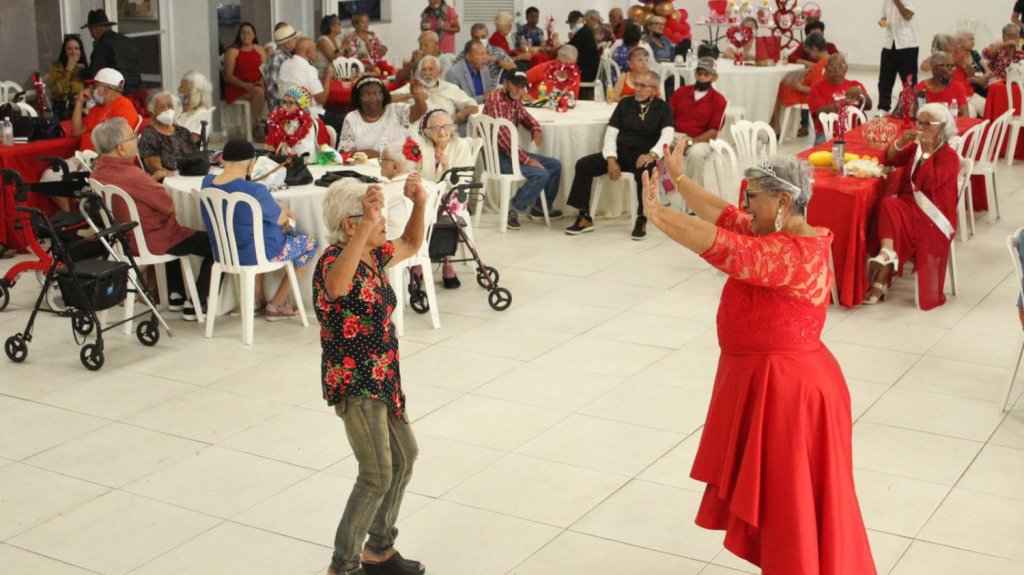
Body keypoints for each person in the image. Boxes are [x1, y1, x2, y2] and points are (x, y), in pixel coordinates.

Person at [639, 140, 876, 575]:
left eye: (753, 197)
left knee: (792, 503)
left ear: (784, 200)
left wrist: (658, 213)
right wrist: (682, 178)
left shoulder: (793, 254)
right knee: (780, 502)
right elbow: (723, 216)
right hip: (773, 380)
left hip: (790, 393)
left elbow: (723, 245)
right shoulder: (776, 231)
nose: (745, 207)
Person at [314, 173, 428, 575]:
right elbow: (337, 288)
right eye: (377, 217)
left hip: (384, 377)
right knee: (376, 473)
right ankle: (342, 566)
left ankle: (378, 549)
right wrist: (366, 223)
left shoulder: (374, 255)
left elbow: (413, 243)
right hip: (356, 383)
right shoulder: (334, 261)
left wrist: (419, 204)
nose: (384, 223)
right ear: (351, 225)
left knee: (405, 456)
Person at [90, 118, 212, 321]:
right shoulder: (132, 175)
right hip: (152, 239)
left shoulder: (98, 171)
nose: (136, 140)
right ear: (121, 148)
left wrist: (149, 184)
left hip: (125, 240)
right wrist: (150, 184)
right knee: (216, 244)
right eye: (132, 137)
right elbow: (169, 206)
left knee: (173, 229)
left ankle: (176, 294)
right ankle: (198, 301)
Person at [202, 139, 319, 320]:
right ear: (251, 163)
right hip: (258, 253)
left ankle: (257, 299)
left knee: (254, 230)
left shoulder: (207, 182)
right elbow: (282, 220)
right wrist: (285, 209)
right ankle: (277, 303)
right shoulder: (254, 190)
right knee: (309, 244)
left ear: (223, 160)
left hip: (223, 253)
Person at [865, 103, 959, 310]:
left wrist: (926, 154)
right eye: (920, 122)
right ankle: (888, 251)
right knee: (888, 203)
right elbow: (891, 159)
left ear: (942, 127)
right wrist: (901, 141)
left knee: (893, 217)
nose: (922, 127)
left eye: (928, 123)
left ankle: (882, 277)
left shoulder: (949, 157)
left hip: (932, 215)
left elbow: (930, 183)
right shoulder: (917, 148)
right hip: (909, 206)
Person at [565, 69, 673, 239]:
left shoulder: (662, 108)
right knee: (583, 164)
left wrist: (652, 154)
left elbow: (667, 134)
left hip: (642, 155)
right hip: (619, 153)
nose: (637, 89)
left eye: (642, 86)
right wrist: (610, 158)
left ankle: (642, 217)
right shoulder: (625, 103)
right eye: (636, 84)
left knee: (646, 170)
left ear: (654, 90)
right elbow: (612, 132)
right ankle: (584, 217)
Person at [482, 70, 564, 230]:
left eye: (522, 86)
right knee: (541, 174)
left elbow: (526, 116)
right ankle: (514, 208)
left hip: (510, 154)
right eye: (515, 85)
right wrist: (528, 160)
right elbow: (503, 137)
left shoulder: (514, 99)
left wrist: (536, 128)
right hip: (498, 157)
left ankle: (541, 208)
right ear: (506, 84)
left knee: (555, 165)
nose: (519, 90)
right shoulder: (497, 99)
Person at [414, 109, 473, 289]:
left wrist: (447, 168)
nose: (442, 132)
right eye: (436, 127)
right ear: (427, 130)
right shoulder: (420, 145)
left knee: (446, 208)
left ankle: (448, 261)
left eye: (446, 126)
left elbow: (463, 180)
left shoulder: (460, 145)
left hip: (453, 193)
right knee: (418, 206)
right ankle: (419, 258)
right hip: (427, 193)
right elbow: (416, 172)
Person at [668, 58, 728, 187]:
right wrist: (667, 137)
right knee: (659, 144)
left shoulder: (719, 100)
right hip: (676, 135)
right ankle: (661, 190)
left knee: (696, 154)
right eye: (699, 73)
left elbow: (713, 133)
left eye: (706, 74)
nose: (702, 77)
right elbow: (667, 117)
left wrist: (689, 143)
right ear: (695, 74)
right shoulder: (681, 92)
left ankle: (694, 198)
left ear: (714, 77)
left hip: (701, 140)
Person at [339, 76, 428, 158]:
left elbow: (420, 110)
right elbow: (345, 154)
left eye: (377, 94)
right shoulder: (352, 118)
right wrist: (370, 154)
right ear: (358, 98)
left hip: (396, 167)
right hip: (364, 168)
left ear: (383, 95)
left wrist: (417, 95)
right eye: (367, 95)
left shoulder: (397, 111)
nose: (373, 99)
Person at [392, 56, 478, 134]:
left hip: (447, 135)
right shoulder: (414, 87)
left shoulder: (450, 88)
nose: (427, 73)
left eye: (430, 69)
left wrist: (461, 114)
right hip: (420, 135)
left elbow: (474, 106)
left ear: (439, 72)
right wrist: (413, 95)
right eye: (424, 70)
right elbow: (388, 98)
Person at [279, 37, 342, 134]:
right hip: (310, 116)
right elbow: (322, 99)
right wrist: (328, 77)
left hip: (288, 114)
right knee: (345, 121)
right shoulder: (308, 69)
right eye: (314, 50)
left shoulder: (285, 64)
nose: (316, 53)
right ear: (308, 52)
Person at [773, 34, 830, 138]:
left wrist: (801, 87)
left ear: (815, 49)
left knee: (776, 90)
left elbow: (816, 90)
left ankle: (776, 127)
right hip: (818, 96)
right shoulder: (829, 62)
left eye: (810, 52)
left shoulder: (819, 66)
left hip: (806, 96)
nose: (811, 55)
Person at [71, 67, 140, 152]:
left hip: (102, 161)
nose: (91, 90)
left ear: (105, 89)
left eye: (95, 86)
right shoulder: (97, 108)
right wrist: (79, 102)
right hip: (84, 158)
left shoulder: (124, 107)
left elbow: (114, 144)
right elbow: (76, 133)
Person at [807, 54, 871, 144]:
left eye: (841, 66)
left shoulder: (855, 85)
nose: (837, 70)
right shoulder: (816, 89)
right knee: (820, 154)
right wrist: (843, 103)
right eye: (833, 67)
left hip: (856, 133)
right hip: (828, 134)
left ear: (846, 69)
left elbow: (869, 106)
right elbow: (819, 113)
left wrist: (861, 93)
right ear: (826, 68)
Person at [138, 90, 197, 182]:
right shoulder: (149, 135)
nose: (167, 110)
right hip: (167, 182)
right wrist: (176, 177)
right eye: (162, 107)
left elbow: (195, 158)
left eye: (169, 106)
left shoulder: (183, 132)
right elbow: (156, 169)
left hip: (189, 177)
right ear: (152, 111)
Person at [81, 9, 142, 96]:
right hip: (137, 91)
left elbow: (95, 74)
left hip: (118, 93)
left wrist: (81, 72)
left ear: (95, 29)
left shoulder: (102, 46)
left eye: (91, 31)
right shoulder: (127, 41)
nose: (92, 35)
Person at [223, 21, 267, 140]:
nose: (246, 36)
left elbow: (265, 71)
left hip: (256, 84)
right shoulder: (233, 51)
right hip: (238, 88)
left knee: (269, 92)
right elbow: (228, 75)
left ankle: (275, 127)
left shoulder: (259, 49)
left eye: (249, 33)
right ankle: (258, 127)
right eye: (243, 33)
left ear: (254, 35)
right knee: (258, 92)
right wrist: (246, 85)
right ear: (239, 35)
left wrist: (262, 82)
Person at [266, 86, 332, 158]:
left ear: (302, 106)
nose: (284, 106)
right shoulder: (277, 123)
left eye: (289, 103)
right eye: (284, 102)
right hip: (283, 166)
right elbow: (270, 151)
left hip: (310, 166)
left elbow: (323, 151)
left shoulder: (316, 124)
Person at [877, 0, 919, 112]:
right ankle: (883, 107)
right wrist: (882, 22)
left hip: (907, 44)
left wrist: (897, 2)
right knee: (885, 78)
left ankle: (911, 108)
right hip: (890, 43)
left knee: (909, 80)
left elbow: (908, 15)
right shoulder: (886, 2)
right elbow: (883, 19)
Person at [914, 52, 969, 118]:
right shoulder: (920, 89)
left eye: (953, 66)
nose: (953, 69)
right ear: (935, 69)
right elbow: (917, 116)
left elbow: (965, 114)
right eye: (948, 66)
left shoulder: (958, 86)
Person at [47, 34, 88, 120]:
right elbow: (59, 91)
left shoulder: (84, 68)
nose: (73, 52)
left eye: (77, 48)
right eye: (69, 49)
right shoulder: (57, 66)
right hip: (62, 111)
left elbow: (91, 88)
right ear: (64, 51)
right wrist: (68, 69)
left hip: (81, 109)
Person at [265, 24, 301, 110]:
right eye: (294, 39)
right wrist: (291, 101)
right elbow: (271, 89)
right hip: (283, 108)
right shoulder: (276, 57)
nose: (297, 41)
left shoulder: (288, 55)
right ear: (287, 43)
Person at [567, 10, 599, 98]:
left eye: (573, 22)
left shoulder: (582, 33)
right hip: (588, 69)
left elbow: (568, 49)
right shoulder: (584, 31)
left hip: (586, 72)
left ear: (580, 20)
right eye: (570, 23)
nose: (571, 26)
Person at [176, 70, 215, 141]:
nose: (178, 89)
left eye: (182, 87)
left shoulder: (201, 113)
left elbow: (191, 141)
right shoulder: (179, 110)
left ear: (193, 92)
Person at [957, 29, 991, 98]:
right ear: (961, 41)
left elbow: (988, 70)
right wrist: (977, 81)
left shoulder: (975, 54)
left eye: (973, 40)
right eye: (970, 40)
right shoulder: (957, 57)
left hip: (983, 85)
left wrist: (985, 77)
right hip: (969, 88)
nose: (973, 42)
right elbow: (959, 79)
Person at [315, 14, 344, 79]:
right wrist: (344, 46)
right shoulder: (323, 41)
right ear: (332, 27)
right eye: (338, 24)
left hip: (337, 73)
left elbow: (344, 58)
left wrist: (349, 47)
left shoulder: (338, 39)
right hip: (324, 75)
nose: (341, 26)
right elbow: (335, 61)